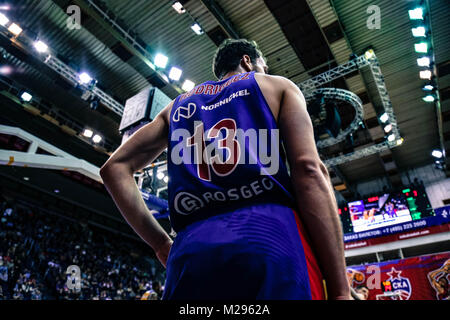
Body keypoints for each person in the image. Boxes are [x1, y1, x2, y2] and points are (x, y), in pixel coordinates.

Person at [100, 38, 350, 300]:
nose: (265, 72)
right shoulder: (278, 87)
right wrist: (340, 289)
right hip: (269, 237)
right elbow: (309, 170)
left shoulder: (176, 108)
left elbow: (113, 169)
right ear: (247, 61)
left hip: (192, 252)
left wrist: (160, 243)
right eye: (263, 67)